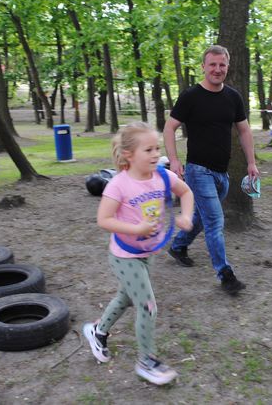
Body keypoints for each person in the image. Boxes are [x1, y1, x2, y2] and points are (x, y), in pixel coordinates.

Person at [83, 121, 194, 386]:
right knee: (147, 305)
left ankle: (97, 331)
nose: (156, 154)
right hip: (124, 255)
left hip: (148, 253)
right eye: (148, 150)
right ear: (129, 155)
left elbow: (186, 191)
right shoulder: (118, 185)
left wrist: (186, 216)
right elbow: (104, 220)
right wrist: (136, 228)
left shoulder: (163, 177)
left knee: (127, 297)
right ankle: (147, 361)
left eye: (157, 148)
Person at [163, 44, 260, 295]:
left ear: (228, 67)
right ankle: (225, 274)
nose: (217, 69)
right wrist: (174, 160)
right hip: (198, 171)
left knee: (203, 218)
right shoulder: (191, 96)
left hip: (222, 173)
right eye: (212, 64)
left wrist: (251, 162)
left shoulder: (233, 97)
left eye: (222, 65)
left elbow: (244, 130)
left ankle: (178, 245)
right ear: (203, 67)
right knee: (215, 221)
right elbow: (169, 127)